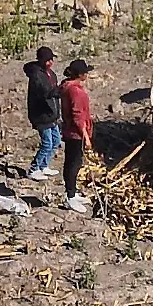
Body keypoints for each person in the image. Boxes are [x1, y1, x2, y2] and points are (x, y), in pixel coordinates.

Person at [60, 58, 95, 214]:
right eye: (85, 72)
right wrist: (86, 137)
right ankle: (70, 197)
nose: (87, 74)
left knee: (74, 163)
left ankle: (72, 192)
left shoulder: (68, 87)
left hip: (71, 132)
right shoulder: (76, 92)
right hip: (75, 134)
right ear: (80, 74)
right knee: (73, 164)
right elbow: (78, 117)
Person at [23, 47, 60, 181]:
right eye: (49, 60)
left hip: (52, 114)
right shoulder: (36, 76)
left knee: (56, 141)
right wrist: (57, 92)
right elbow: (43, 93)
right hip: (41, 115)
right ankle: (33, 169)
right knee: (47, 144)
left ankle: (44, 166)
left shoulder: (49, 73)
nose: (51, 62)